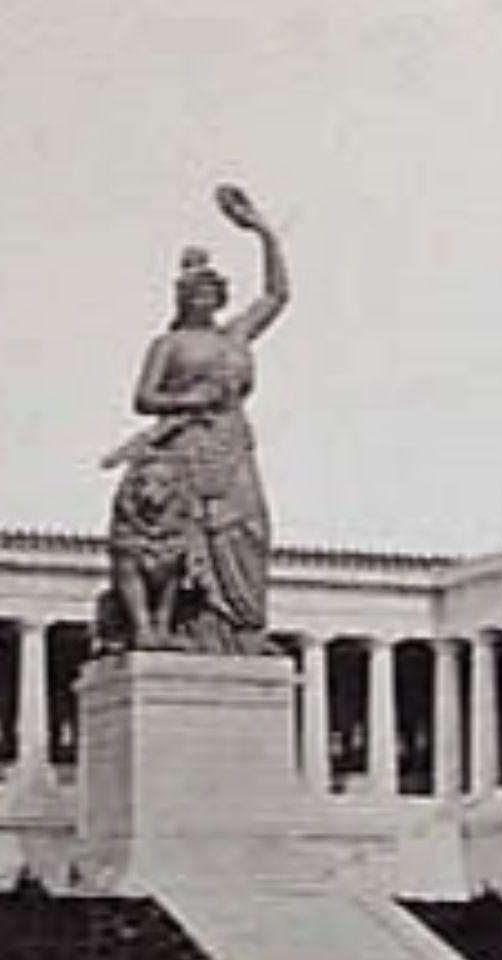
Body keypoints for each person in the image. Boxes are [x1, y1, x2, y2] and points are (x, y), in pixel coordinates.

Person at [104, 185, 290, 654]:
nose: (206, 297)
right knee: (186, 540)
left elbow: (277, 294)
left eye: (213, 291)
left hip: (232, 442)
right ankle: (186, 625)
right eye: (197, 291)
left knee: (248, 530)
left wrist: (264, 232)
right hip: (184, 447)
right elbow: (143, 398)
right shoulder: (168, 345)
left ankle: (244, 628)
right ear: (183, 297)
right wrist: (192, 400)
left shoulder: (236, 335)